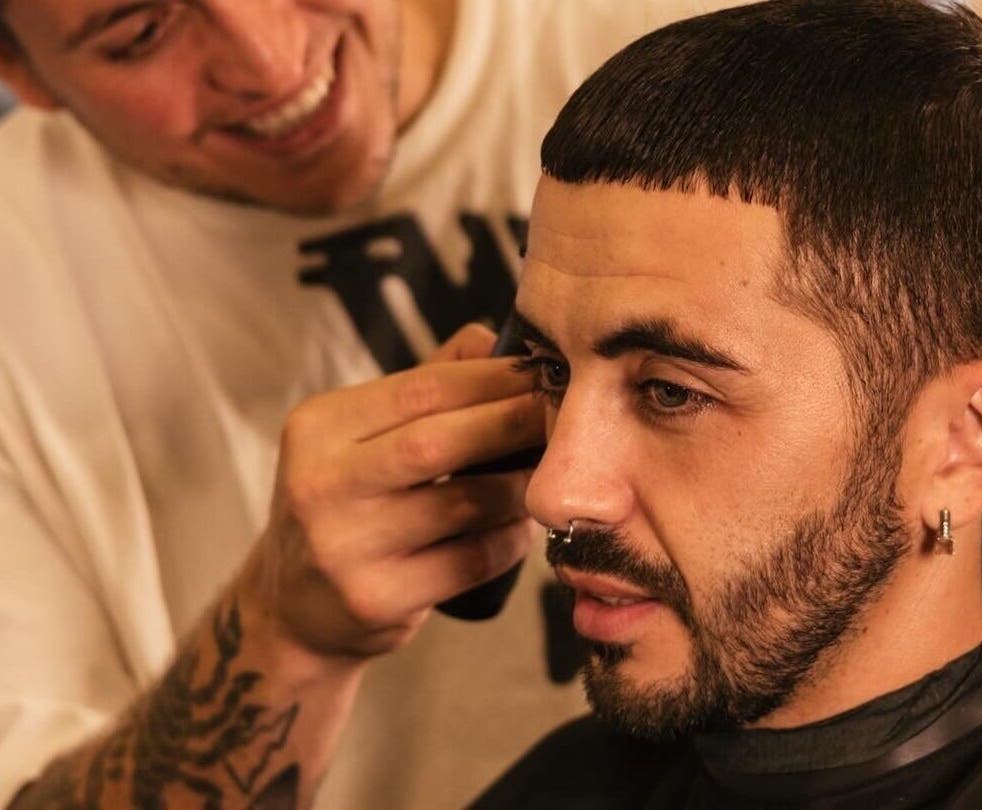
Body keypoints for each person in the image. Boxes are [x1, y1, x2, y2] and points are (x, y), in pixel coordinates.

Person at [0, 1, 738, 807]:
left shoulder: (737, 44)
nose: (271, 65)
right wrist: (284, 638)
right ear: (22, 75)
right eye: (141, 35)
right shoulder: (24, 279)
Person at [473, 1, 982, 807]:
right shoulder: (560, 788)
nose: (555, 492)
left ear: (969, 442)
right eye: (549, 369)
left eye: (670, 393)